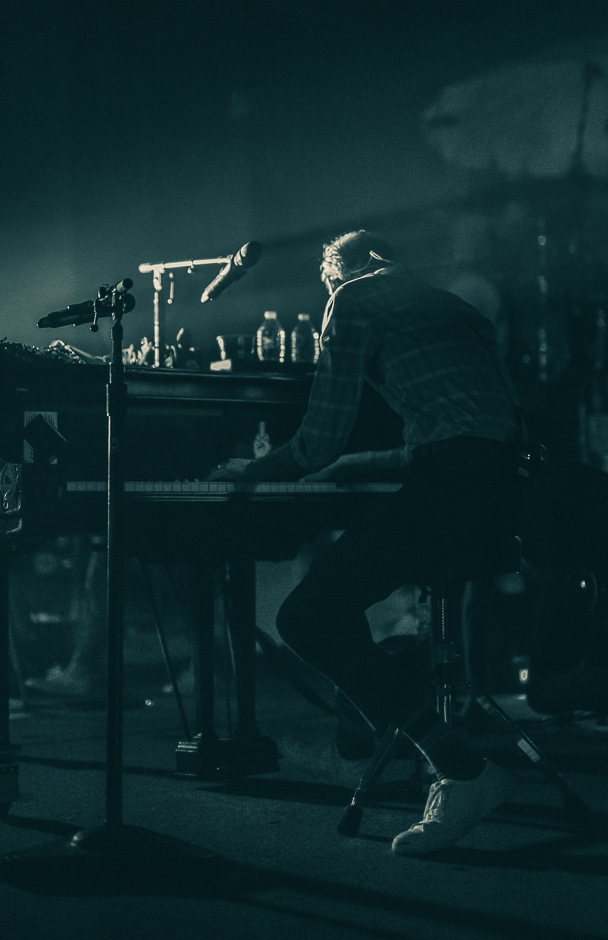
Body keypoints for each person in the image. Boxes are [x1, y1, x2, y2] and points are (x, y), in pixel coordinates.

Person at [211, 229, 525, 856]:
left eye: (326, 286)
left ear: (336, 272)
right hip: (506, 494)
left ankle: (457, 767)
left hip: (452, 485)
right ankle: (365, 740)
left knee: (306, 616)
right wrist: (348, 465)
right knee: (336, 596)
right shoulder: (450, 307)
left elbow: (316, 441)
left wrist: (252, 471)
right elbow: (463, 433)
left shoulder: (352, 298)